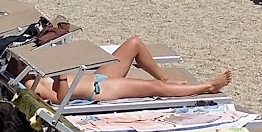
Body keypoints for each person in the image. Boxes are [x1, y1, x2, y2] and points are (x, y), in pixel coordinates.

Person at [25, 36, 232, 103]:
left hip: (97, 77)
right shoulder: (30, 84)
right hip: (100, 90)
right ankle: (208, 86)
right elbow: (60, 100)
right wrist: (61, 74)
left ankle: (166, 78)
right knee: (154, 87)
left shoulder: (37, 67)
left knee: (134, 43)